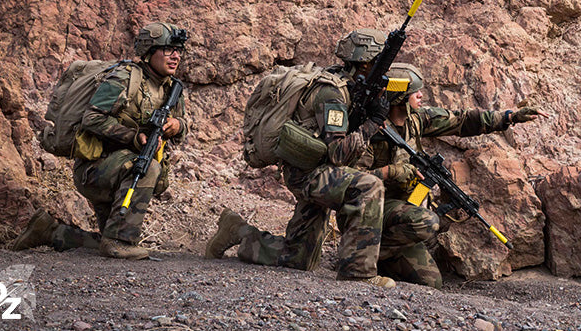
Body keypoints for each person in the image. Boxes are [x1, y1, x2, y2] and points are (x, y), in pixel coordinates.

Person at [205, 29, 396, 288]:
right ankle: (358, 273)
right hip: (308, 174)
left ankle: (238, 231)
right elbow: (338, 153)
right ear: (363, 63)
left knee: (298, 258)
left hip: (316, 168)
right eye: (376, 63)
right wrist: (372, 123)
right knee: (368, 186)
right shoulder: (332, 93)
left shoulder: (350, 87)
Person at [11, 22, 190, 260]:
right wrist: (133, 138)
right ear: (149, 52)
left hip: (121, 167)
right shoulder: (124, 79)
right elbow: (92, 118)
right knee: (148, 169)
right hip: (96, 168)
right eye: (168, 49)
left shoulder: (171, 88)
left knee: (104, 239)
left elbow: (182, 126)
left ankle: (49, 231)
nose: (175, 56)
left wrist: (177, 126)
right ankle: (120, 242)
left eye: (178, 50)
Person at [361, 62, 544, 288]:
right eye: (414, 92)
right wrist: (391, 172)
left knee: (431, 282)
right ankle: (361, 258)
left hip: (402, 214)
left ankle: (382, 259)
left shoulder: (417, 119)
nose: (420, 96)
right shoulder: (372, 130)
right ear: (398, 97)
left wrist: (509, 117)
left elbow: (462, 120)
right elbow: (354, 178)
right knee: (426, 221)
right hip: (373, 211)